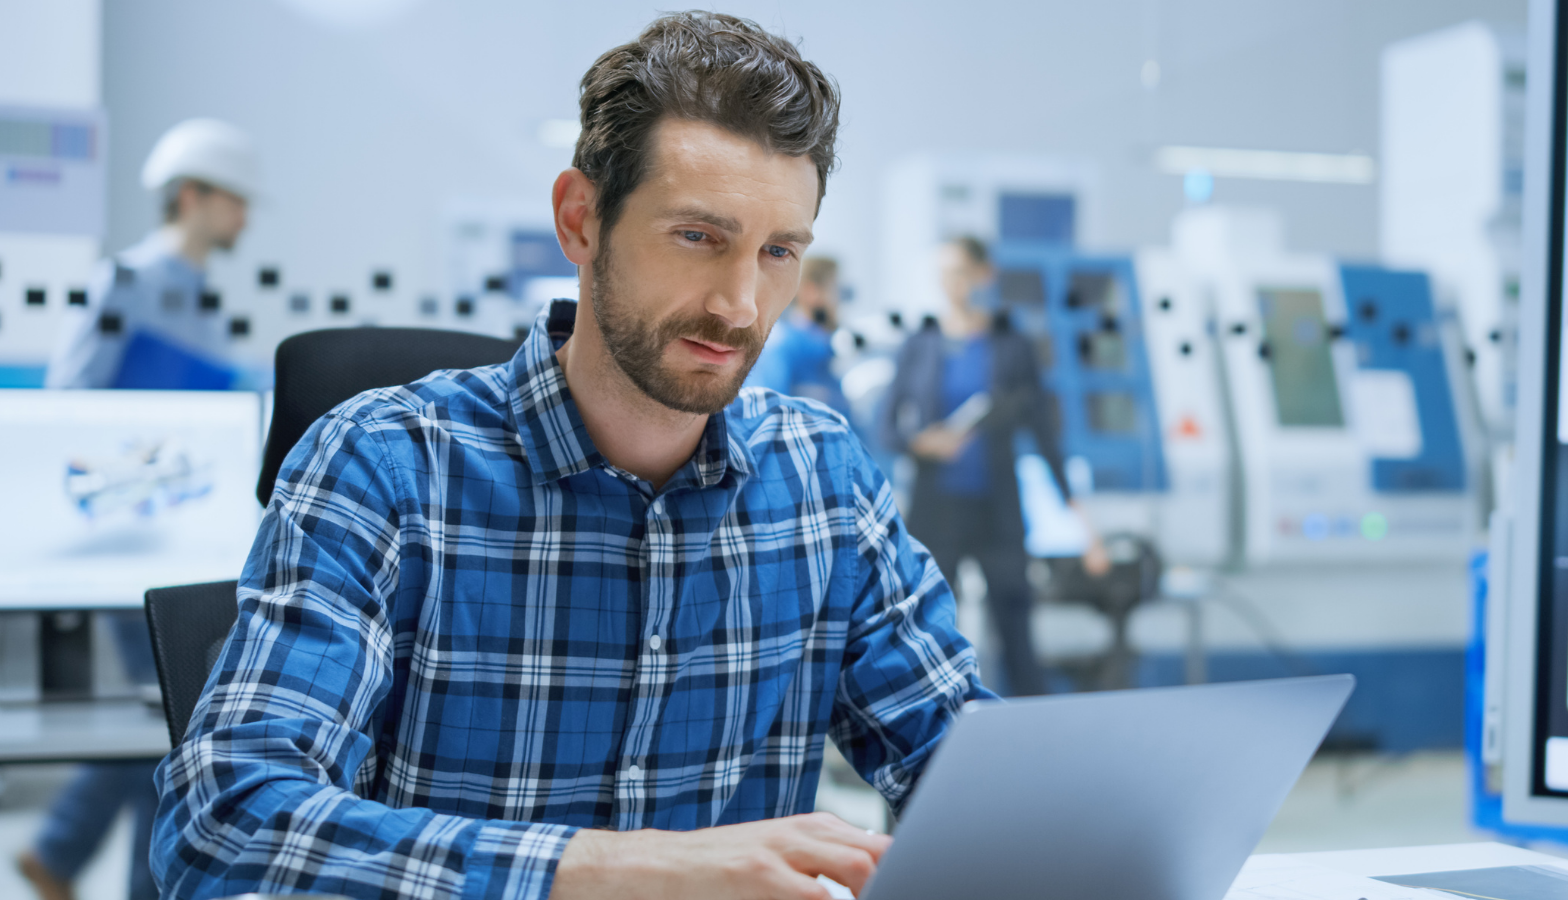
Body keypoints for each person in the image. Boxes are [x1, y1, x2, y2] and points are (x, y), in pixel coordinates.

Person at [151, 14, 988, 900]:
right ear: (580, 219)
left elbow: (965, 769)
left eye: (778, 251)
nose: (742, 306)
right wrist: (620, 870)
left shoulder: (823, 481)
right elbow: (223, 822)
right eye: (700, 236)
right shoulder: (383, 465)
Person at [17, 119, 258, 900]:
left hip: (185, 538)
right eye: (233, 200)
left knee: (164, 720)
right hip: (126, 537)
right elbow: (69, 401)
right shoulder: (124, 282)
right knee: (163, 721)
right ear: (192, 196)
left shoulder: (203, 300)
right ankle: (79, 861)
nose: (244, 218)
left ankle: (66, 857)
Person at [881, 236, 1109, 698]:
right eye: (944, 274)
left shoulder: (1012, 346)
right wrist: (921, 443)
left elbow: (1044, 433)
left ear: (985, 275)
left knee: (1016, 623)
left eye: (961, 273)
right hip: (937, 511)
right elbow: (885, 426)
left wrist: (1080, 517)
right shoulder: (921, 344)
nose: (952, 285)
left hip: (998, 511)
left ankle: (1033, 740)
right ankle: (935, 737)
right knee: (933, 626)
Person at [744, 255, 850, 416]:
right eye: (836, 290)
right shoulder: (782, 347)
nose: (839, 301)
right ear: (811, 291)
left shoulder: (826, 348)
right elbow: (765, 414)